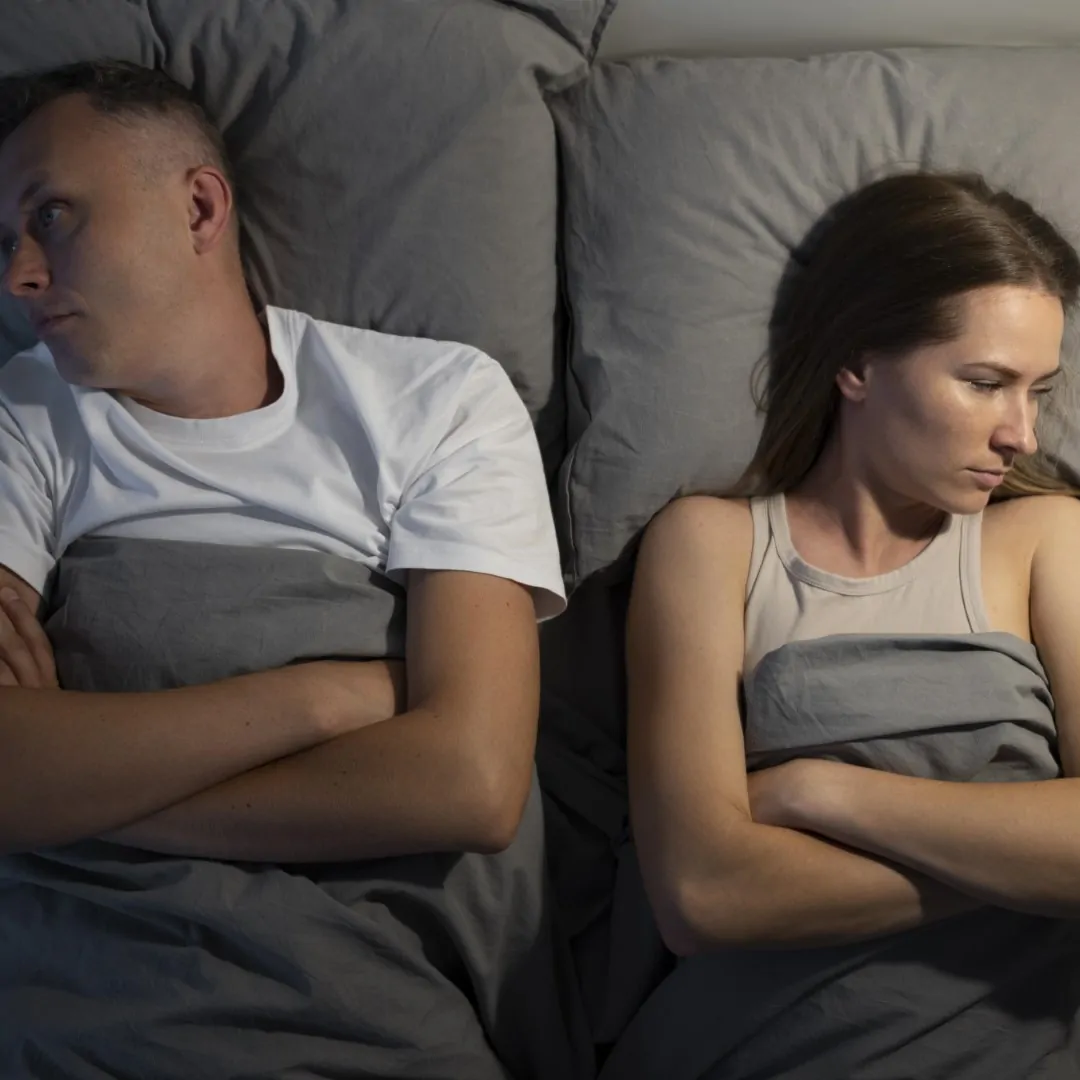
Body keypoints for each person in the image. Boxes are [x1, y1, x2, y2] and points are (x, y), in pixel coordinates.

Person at [0, 59, 568, 1074]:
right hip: (87, 984)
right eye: (8, 241)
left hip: (361, 986)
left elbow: (472, 784)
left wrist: (86, 795)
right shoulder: (25, 414)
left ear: (200, 206)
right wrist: (327, 699)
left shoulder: (437, 402)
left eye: (52, 217)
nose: (20, 278)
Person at [624, 172, 1080, 1072]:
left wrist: (817, 794)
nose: (1020, 434)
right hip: (755, 1045)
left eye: (1040, 392)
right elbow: (705, 897)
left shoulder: (1047, 540)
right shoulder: (709, 547)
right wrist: (1027, 869)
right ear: (858, 364)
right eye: (986, 383)